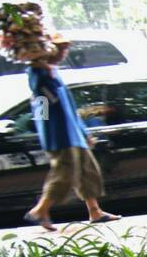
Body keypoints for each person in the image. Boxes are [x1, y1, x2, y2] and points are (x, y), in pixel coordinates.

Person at [22, 35, 119, 231]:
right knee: (65, 173)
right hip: (58, 135)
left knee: (87, 170)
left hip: (72, 132)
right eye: (61, 48)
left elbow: (69, 107)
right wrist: (46, 78)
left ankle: (94, 210)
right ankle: (40, 209)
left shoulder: (53, 72)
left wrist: (83, 132)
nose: (63, 53)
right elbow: (43, 106)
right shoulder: (38, 73)